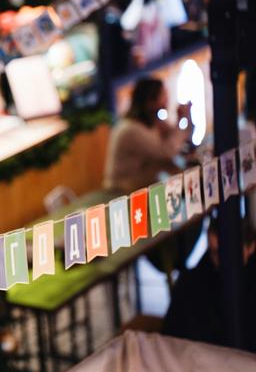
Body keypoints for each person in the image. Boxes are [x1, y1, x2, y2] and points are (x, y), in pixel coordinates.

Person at [162, 215, 256, 352]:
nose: (220, 260)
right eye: (214, 252)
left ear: (251, 247)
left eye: (228, 251)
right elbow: (171, 340)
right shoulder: (190, 285)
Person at [104, 77, 191, 193]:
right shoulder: (130, 129)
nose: (167, 100)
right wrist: (181, 119)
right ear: (150, 100)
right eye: (163, 95)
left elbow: (178, 139)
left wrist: (185, 118)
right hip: (122, 192)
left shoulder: (154, 122)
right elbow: (166, 153)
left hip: (142, 187)